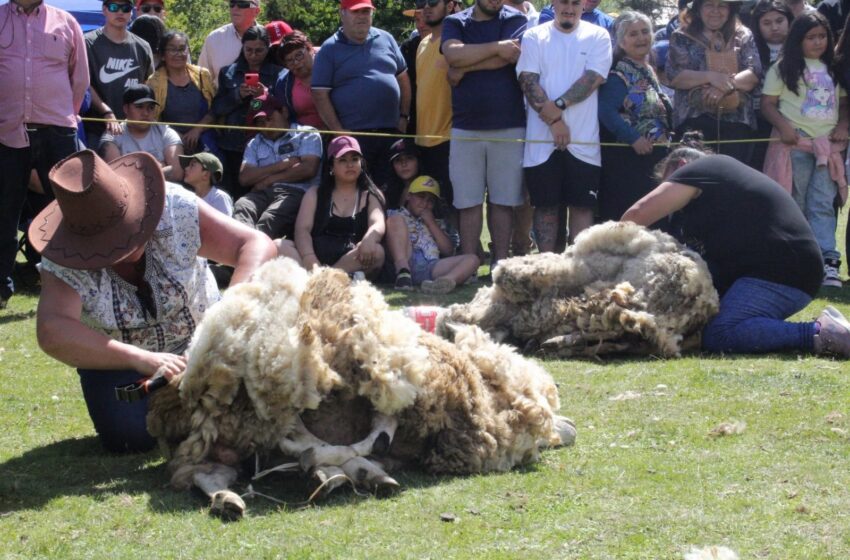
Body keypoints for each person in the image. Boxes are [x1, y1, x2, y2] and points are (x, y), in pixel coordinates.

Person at [32, 149, 277, 452]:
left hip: (205, 344)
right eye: (110, 242)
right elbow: (52, 329)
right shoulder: (63, 255)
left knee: (259, 398)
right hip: (123, 363)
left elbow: (255, 244)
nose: (125, 245)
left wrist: (226, 318)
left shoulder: (175, 207)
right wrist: (140, 358)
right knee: (129, 433)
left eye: (128, 229)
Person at [622, 134, 850, 358]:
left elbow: (636, 215)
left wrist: (606, 260)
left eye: (666, 182)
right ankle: (769, 327)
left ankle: (821, 333)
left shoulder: (701, 170)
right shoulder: (719, 192)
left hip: (782, 272)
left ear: (681, 166)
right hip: (782, 271)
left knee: (720, 334)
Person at [0, 0, 90, 309]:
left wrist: (65, 115)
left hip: (57, 130)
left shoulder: (66, 22)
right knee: (3, 213)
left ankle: (80, 288)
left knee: (70, 211)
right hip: (5, 130)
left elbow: (80, 79)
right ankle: (0, 289)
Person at [516, 0, 612, 251]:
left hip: (583, 142)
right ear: (554, 4)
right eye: (563, 2)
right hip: (541, 143)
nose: (569, 8)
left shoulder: (599, 35)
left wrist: (557, 106)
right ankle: (548, 268)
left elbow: (593, 78)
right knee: (546, 206)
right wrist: (556, 121)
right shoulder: (534, 35)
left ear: (583, 5)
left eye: (575, 3)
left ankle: (577, 270)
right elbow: (527, 79)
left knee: (582, 206)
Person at [761, 12, 848, 288]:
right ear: (798, 39)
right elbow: (767, 104)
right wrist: (784, 128)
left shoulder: (834, 68)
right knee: (794, 199)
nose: (818, 42)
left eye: (823, 36)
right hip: (795, 144)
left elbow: (844, 104)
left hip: (828, 146)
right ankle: (797, 258)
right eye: (811, 37)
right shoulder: (783, 68)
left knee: (823, 202)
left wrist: (845, 125)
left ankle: (827, 261)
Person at [442, 0, 527, 266]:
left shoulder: (515, 19)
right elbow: (453, 55)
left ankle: (499, 265)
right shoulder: (455, 21)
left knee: (503, 201)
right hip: (465, 126)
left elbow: (512, 56)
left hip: (509, 124)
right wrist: (495, 48)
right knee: (468, 202)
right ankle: (468, 264)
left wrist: (465, 66)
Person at [311, 0, 411, 187]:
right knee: (357, 191)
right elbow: (319, 94)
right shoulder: (329, 48)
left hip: (390, 132)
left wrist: (404, 116)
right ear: (342, 13)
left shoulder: (386, 38)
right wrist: (338, 131)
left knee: (391, 191)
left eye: (366, 11)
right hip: (353, 137)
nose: (362, 17)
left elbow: (403, 79)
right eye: (356, 12)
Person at [598, 11, 673, 222]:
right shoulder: (618, 74)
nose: (641, 38)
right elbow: (605, 111)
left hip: (653, 158)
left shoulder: (648, 69)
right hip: (628, 160)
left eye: (645, 31)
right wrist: (633, 138)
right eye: (633, 34)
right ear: (621, 42)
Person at [666, 0, 762, 165]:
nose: (715, 11)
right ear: (698, 8)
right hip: (694, 121)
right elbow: (675, 76)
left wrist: (725, 86)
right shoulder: (681, 36)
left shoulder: (744, 35)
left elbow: (754, 73)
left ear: (730, 9)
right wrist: (711, 77)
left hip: (737, 123)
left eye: (722, 6)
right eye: (709, 5)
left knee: (732, 181)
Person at [294, 136, 386, 277]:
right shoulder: (315, 193)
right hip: (315, 255)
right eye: (343, 160)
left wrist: (369, 239)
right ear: (331, 166)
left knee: (378, 251)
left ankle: (328, 278)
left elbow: (377, 222)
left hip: (351, 258)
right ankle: (328, 278)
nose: (350, 165)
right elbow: (302, 230)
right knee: (280, 245)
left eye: (355, 159)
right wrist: (309, 258)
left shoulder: (371, 194)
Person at [234, 93, 322, 241]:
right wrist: (281, 166)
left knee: (269, 218)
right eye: (260, 123)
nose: (266, 126)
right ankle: (242, 253)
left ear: (284, 112)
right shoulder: (255, 142)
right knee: (242, 206)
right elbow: (245, 177)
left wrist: (269, 179)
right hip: (262, 193)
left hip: (296, 193)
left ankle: (250, 254)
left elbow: (308, 169)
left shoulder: (307, 134)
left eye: (269, 119)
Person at [210, 24, 282, 199]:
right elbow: (217, 108)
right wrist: (237, 95)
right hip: (232, 143)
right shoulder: (228, 72)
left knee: (261, 194)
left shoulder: (279, 74)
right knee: (231, 193)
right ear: (242, 47)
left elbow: (285, 109)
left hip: (266, 143)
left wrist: (266, 96)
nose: (253, 55)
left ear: (268, 48)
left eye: (259, 51)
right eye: (248, 50)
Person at [386, 176, 479, 293]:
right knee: (395, 220)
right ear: (409, 196)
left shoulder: (437, 223)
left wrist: (431, 223)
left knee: (473, 259)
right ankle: (403, 273)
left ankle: (445, 282)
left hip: (431, 266)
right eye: (421, 197)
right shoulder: (395, 214)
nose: (425, 203)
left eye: (430, 200)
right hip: (405, 258)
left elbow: (448, 250)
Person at [84, 0, 154, 139]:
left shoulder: (143, 47)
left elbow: (148, 85)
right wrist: (106, 112)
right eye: (114, 7)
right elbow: (84, 84)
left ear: (131, 12)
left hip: (133, 131)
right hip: (96, 129)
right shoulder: (87, 43)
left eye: (126, 8)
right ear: (104, 10)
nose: (120, 12)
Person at [414, 0, 459, 208]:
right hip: (422, 141)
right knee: (428, 208)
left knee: (453, 206)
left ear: (450, 6)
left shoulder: (456, 42)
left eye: (433, 2)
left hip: (448, 140)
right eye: (421, 2)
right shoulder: (422, 44)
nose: (426, 7)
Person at [147, 31, 219, 156]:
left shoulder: (203, 75)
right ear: (163, 55)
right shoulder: (154, 83)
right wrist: (177, 137)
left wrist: (197, 130)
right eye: (172, 49)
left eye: (182, 49)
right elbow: (151, 118)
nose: (178, 54)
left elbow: (216, 109)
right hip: (168, 143)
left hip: (206, 140)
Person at [100, 84, 185, 182]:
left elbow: (177, 174)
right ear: (126, 109)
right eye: (139, 107)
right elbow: (116, 178)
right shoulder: (112, 135)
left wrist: (133, 171)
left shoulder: (166, 132)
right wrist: (160, 167)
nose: (146, 113)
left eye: (151, 107)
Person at [749, 0, 793, 170]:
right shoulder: (750, 49)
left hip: (793, 117)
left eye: (779, 21)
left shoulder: (801, 47)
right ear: (757, 25)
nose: (774, 27)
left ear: (789, 20)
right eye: (766, 23)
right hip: (759, 118)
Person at [271, 30, 326, 130]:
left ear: (310, 49)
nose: (296, 62)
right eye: (289, 60)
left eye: (299, 55)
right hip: (305, 137)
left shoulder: (329, 62)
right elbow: (286, 118)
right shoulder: (283, 84)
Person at [198, 0, 262, 80]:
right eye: (232, 3)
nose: (235, 8)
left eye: (242, 4)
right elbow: (202, 80)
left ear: (256, 11)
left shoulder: (269, 39)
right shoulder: (214, 39)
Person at [384, 138, 422, 210]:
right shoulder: (386, 192)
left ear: (418, 162)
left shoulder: (429, 189)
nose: (404, 164)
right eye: (398, 160)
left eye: (409, 158)